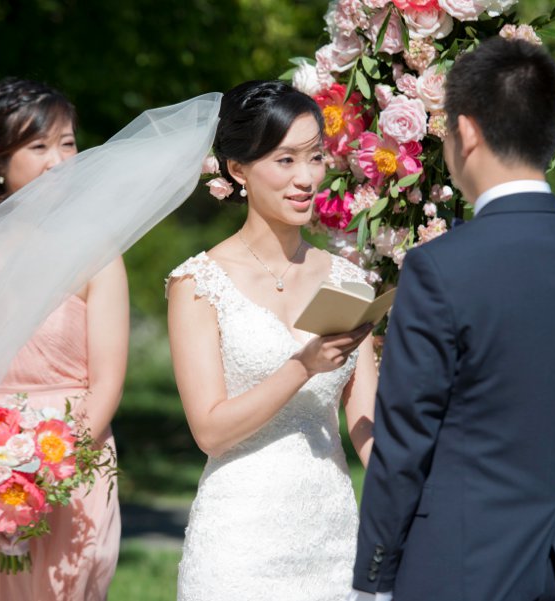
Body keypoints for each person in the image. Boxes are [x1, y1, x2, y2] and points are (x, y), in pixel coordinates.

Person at [350, 37, 555, 601]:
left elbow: (405, 443)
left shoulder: (439, 268)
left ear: (467, 132)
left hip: (462, 567)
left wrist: (373, 580)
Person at [167, 80, 378, 601]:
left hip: (332, 541)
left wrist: (418, 488)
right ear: (238, 169)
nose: (306, 178)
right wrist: (301, 367)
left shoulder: (351, 280)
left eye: (314, 157)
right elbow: (210, 432)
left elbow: (367, 422)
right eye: (285, 161)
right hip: (239, 546)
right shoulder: (198, 283)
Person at [0, 77, 127, 601]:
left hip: (74, 464)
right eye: (39, 146)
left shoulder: (98, 252)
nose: (59, 161)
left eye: (67, 143)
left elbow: (106, 381)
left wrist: (52, 470)